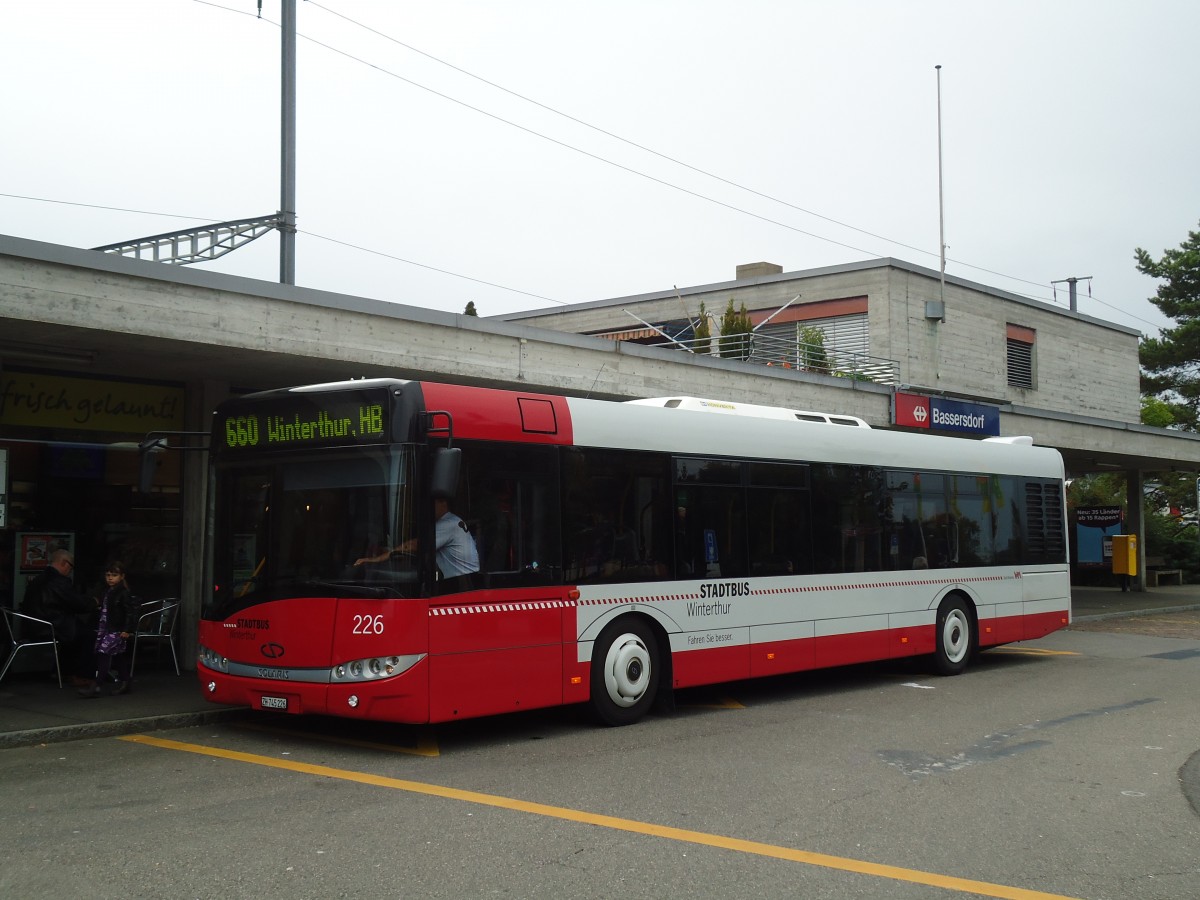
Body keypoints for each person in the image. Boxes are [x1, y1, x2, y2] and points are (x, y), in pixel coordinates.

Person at [355, 495, 479, 589]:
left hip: (463, 587)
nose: (428, 507)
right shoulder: (451, 520)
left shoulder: (447, 524)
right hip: (460, 583)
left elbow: (414, 546)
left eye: (432, 503)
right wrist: (387, 551)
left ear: (443, 502)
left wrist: (375, 560)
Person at [21, 548, 97, 685]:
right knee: (89, 635)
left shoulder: (39, 578)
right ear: (64, 563)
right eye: (71, 566)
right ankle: (82, 675)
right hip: (50, 626)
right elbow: (77, 603)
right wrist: (94, 602)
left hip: (34, 625)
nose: (70, 570)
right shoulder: (58, 581)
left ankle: (62, 672)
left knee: (77, 631)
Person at [78, 561, 139, 698]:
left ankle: (97, 684)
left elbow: (130, 613)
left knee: (104, 653)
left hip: (116, 629)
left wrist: (128, 630)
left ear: (122, 576)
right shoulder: (109, 592)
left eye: (114, 575)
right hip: (108, 627)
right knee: (117, 655)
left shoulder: (122, 593)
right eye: (108, 575)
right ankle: (125, 681)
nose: (110, 578)